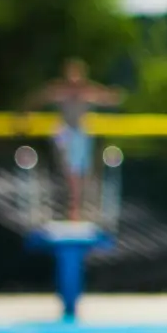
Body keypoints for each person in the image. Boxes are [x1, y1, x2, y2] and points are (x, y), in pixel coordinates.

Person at [27, 59, 124, 220]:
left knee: (80, 172)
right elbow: (40, 97)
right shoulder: (61, 90)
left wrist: (113, 96)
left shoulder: (87, 91)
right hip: (65, 132)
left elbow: (107, 97)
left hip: (79, 134)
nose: (74, 80)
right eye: (71, 76)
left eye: (77, 76)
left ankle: (76, 208)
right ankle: (72, 207)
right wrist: (28, 111)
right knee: (66, 156)